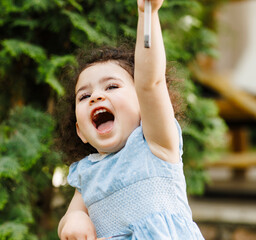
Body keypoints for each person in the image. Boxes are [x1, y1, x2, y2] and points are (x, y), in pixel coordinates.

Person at [57, 0, 205, 239]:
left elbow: (150, 83)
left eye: (112, 86)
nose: (96, 96)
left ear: (143, 106)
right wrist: (74, 219)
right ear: (80, 132)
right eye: (84, 96)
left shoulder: (156, 146)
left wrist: (148, 14)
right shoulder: (86, 175)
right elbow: (66, 220)